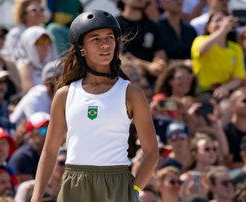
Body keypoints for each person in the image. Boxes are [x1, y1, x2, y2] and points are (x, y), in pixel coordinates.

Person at [31, 10, 159, 202]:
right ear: (81, 48)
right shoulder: (65, 95)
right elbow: (49, 151)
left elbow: (151, 153)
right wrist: (36, 197)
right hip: (74, 184)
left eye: (109, 37)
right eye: (96, 39)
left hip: (117, 183)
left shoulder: (132, 93)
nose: (105, 44)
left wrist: (133, 190)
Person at [191, 11, 246, 99]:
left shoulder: (236, 48)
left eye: (223, 20)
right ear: (208, 26)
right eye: (217, 21)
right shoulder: (200, 40)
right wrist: (223, 29)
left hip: (226, 90)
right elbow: (203, 50)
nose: (221, 23)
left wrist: (224, 88)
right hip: (204, 92)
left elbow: (237, 78)